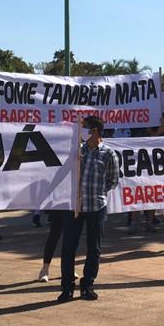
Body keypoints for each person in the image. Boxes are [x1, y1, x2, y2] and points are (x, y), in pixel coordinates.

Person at [57, 116, 120, 302]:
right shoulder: (77, 151)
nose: (82, 132)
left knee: (94, 248)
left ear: (95, 131)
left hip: (96, 207)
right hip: (75, 207)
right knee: (68, 247)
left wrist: (98, 192)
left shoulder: (108, 154)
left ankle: (87, 285)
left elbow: (113, 180)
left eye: (85, 129)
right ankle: (67, 287)